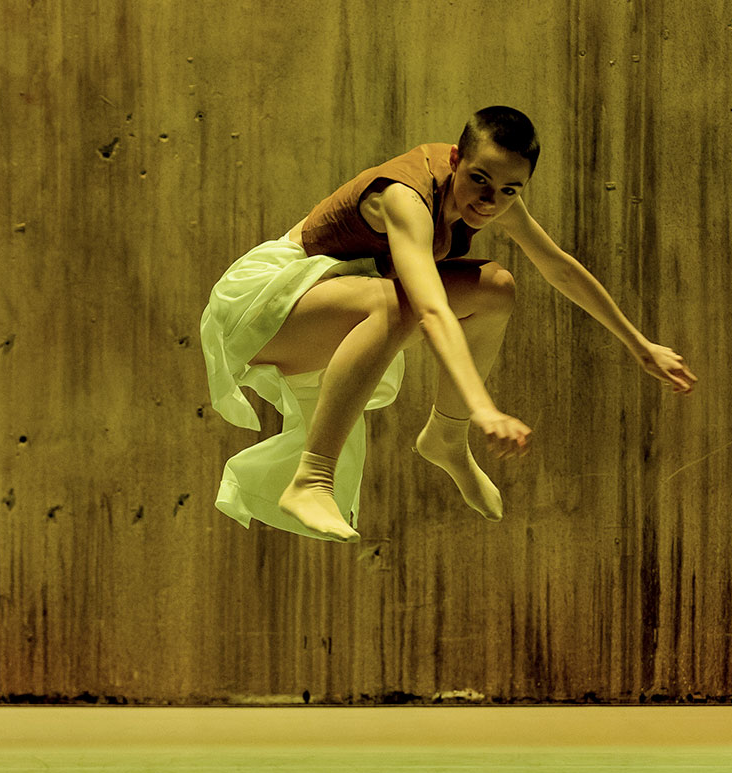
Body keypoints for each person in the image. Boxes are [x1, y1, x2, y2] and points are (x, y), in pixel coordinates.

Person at [200, 106, 697, 542]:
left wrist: (639, 344)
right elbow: (432, 309)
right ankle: (312, 478)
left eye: (508, 190)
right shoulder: (405, 198)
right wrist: (486, 409)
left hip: (336, 295)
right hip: (264, 303)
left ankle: (445, 436)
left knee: (496, 287)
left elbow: (558, 266)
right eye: (479, 179)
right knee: (403, 303)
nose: (488, 201)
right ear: (456, 159)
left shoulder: (495, 194)